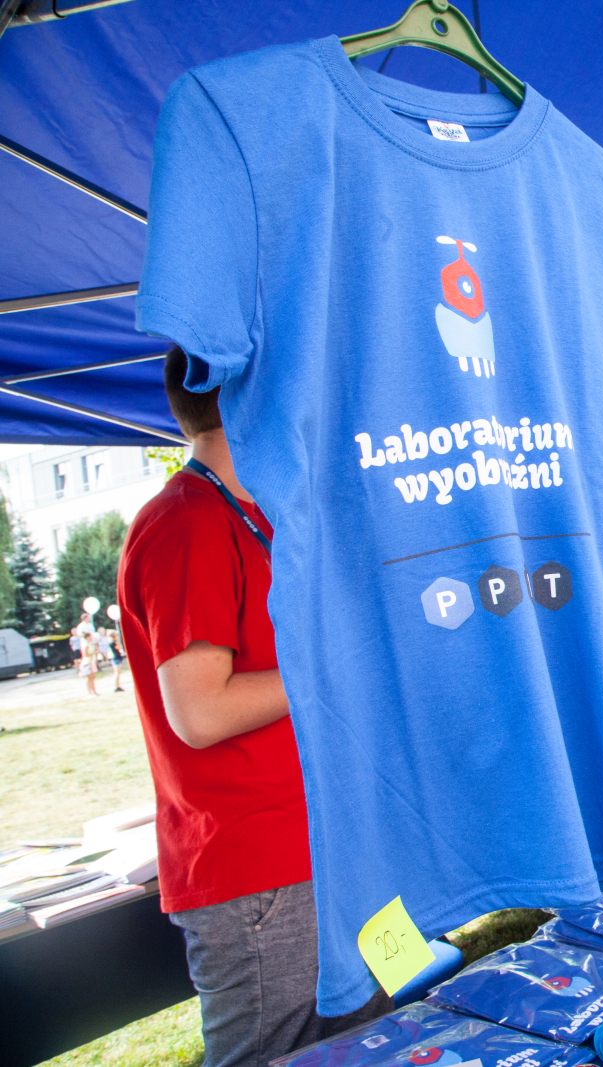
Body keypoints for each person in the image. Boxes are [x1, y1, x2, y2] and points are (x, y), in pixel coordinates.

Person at [119, 348, 383, 1066]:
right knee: (275, 1051)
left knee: (378, 1039)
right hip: (259, 868)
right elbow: (199, 711)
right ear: (246, 397)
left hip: (323, 847)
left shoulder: (253, 515)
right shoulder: (187, 521)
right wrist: (335, 666)